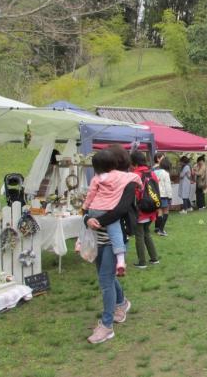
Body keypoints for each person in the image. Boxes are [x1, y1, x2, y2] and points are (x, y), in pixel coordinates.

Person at [83, 146, 136, 344]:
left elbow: (121, 210)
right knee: (106, 277)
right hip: (98, 238)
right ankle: (122, 303)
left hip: (115, 240)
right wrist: (87, 218)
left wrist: (98, 220)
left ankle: (106, 326)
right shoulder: (100, 180)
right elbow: (87, 205)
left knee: (105, 281)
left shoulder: (128, 183)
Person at [82, 149, 141, 276]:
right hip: (108, 222)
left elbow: (90, 196)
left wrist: (88, 215)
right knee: (116, 235)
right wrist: (140, 185)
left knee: (105, 278)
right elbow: (118, 211)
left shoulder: (96, 178)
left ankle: (79, 243)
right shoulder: (127, 179)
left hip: (94, 212)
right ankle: (121, 261)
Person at [130, 151, 160, 269]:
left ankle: (142, 262)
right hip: (152, 208)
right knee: (147, 233)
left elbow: (134, 193)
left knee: (139, 235)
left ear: (134, 163)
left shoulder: (135, 175)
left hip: (140, 209)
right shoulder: (152, 173)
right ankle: (154, 258)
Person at [153, 157, 172, 236]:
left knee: (159, 212)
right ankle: (161, 230)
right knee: (166, 211)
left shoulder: (154, 172)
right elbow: (168, 186)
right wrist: (170, 197)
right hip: (164, 195)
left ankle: (158, 229)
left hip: (156, 194)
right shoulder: (166, 173)